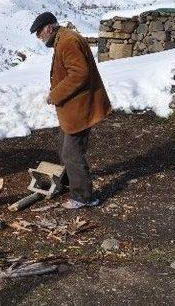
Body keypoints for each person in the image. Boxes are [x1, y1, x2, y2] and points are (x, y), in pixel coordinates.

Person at [30, 12, 112, 209]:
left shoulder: (67, 41)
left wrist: (55, 94)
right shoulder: (64, 38)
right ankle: (69, 183)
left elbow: (79, 73)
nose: (39, 38)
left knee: (72, 153)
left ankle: (84, 197)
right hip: (74, 107)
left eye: (39, 33)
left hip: (80, 107)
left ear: (49, 28)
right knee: (64, 147)